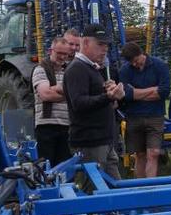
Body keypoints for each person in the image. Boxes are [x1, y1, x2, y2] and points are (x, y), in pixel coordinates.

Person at [64, 24, 124, 179]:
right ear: (85, 43)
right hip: (90, 143)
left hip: (103, 140)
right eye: (100, 44)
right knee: (93, 192)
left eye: (106, 45)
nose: (104, 49)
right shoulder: (77, 69)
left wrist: (110, 93)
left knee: (115, 189)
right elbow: (79, 103)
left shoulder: (92, 68)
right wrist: (108, 96)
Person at [119, 42, 171, 178]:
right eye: (132, 63)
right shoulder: (125, 70)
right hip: (134, 116)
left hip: (155, 116)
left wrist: (137, 94)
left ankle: (151, 187)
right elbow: (126, 95)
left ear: (142, 54)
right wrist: (153, 89)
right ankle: (140, 187)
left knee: (153, 153)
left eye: (136, 61)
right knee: (140, 154)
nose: (135, 65)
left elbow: (164, 91)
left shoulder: (159, 66)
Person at [32, 35, 77, 167]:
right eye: (59, 53)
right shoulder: (40, 69)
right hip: (46, 125)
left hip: (67, 125)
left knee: (65, 168)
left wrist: (57, 89)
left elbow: (78, 92)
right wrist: (70, 93)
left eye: (65, 54)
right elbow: (45, 95)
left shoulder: (70, 70)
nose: (62, 57)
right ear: (50, 51)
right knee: (46, 167)